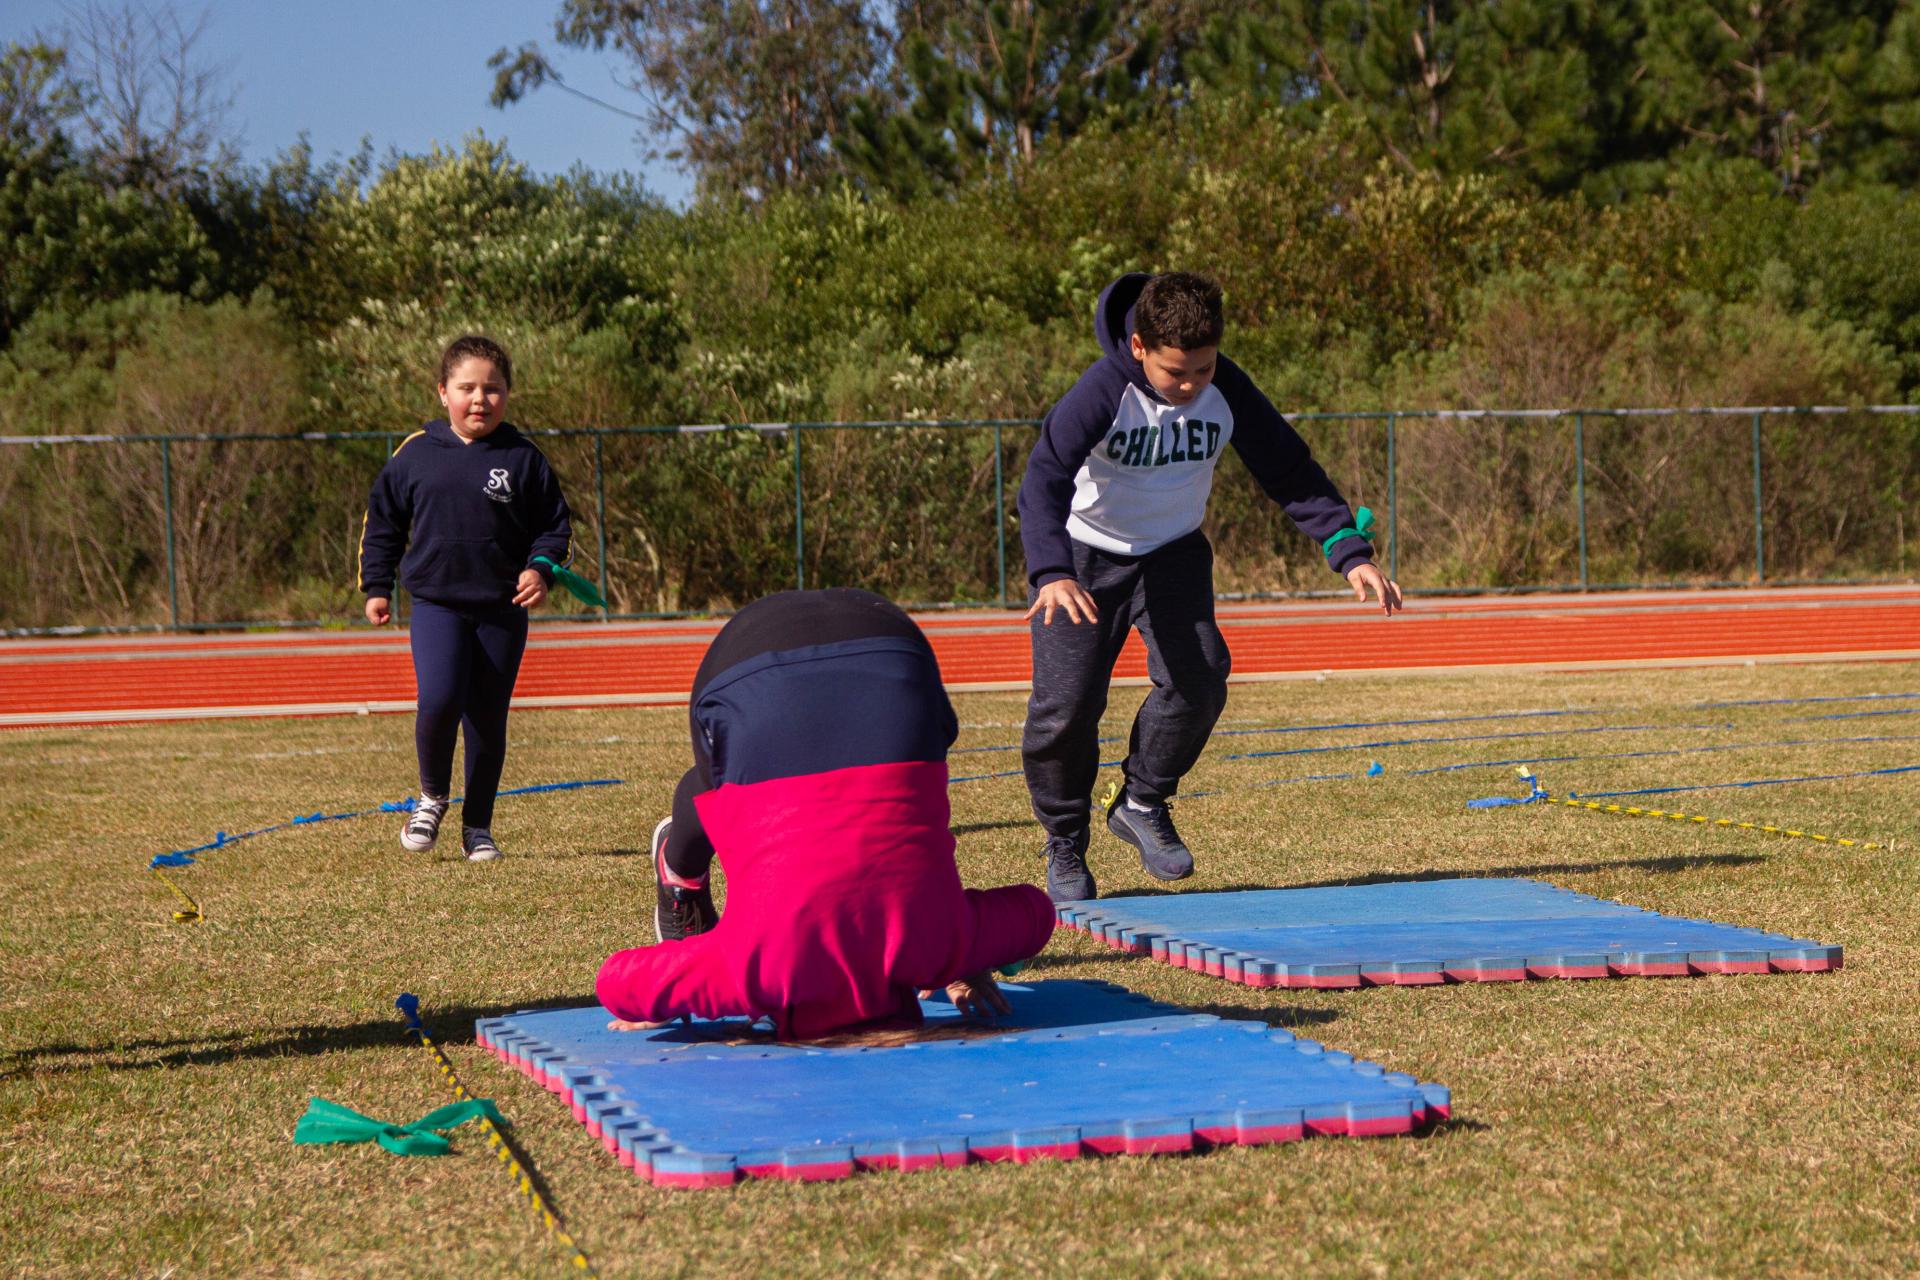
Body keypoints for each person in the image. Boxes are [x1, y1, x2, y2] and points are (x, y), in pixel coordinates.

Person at [1018, 271, 1401, 903]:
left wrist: (1348, 551)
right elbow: (1045, 476)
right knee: (1064, 713)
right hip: (1084, 562)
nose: (1193, 384)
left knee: (1199, 679)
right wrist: (1052, 571)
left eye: (1205, 366)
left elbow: (1290, 469)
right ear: (1138, 346)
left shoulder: (1226, 388)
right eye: (1178, 372)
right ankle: (1065, 841)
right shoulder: (1102, 391)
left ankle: (1141, 800)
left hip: (1172, 554)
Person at [596, 587, 1057, 1040]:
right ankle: (679, 868)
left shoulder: (937, 947)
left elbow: (1036, 914)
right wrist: (667, 994)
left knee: (744, 773)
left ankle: (680, 870)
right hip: (747, 657)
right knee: (732, 773)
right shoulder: (755, 976)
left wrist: (961, 952)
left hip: (887, 640)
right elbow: (616, 982)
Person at [358, 335, 574, 862]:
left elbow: (556, 529)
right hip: (437, 604)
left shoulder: (524, 459)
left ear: (508, 395)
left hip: (502, 610)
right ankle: (432, 796)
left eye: (493, 389)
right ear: (442, 392)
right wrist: (376, 584)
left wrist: (540, 569)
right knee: (438, 699)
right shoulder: (416, 454)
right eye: (467, 388)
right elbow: (382, 521)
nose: (480, 400)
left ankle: (478, 825)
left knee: (487, 717)